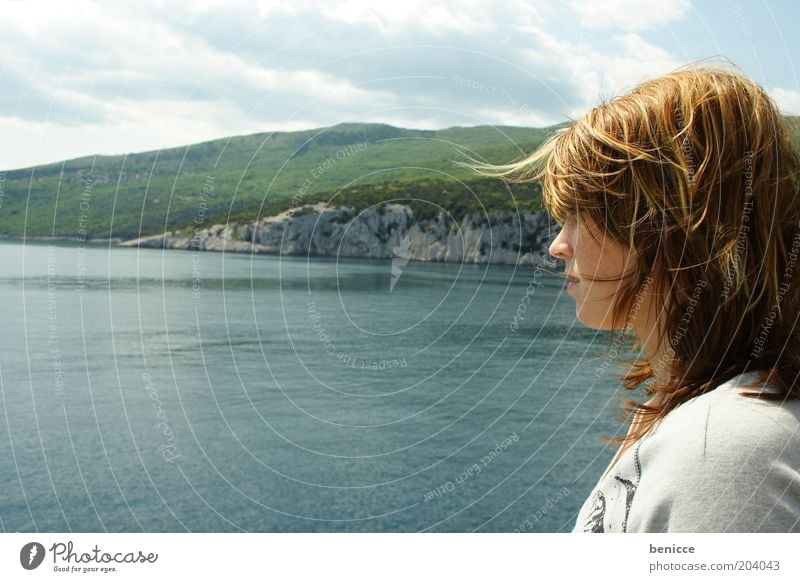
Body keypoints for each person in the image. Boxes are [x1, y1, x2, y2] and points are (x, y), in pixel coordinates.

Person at [474, 63, 800, 532]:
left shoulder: (728, 448)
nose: (557, 246)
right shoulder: (699, 416)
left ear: (664, 224)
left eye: (579, 214)